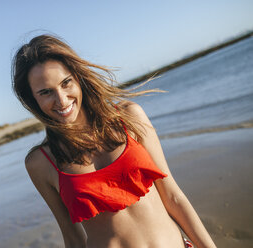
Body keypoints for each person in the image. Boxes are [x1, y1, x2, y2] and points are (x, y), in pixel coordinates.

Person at [11, 34, 216, 248]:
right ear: (32, 100)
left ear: (78, 78)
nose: (61, 100)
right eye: (46, 92)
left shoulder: (130, 117)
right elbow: (72, 237)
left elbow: (173, 197)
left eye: (66, 83)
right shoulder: (40, 162)